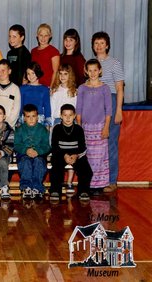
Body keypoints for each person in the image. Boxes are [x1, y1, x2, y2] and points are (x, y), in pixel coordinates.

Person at [92, 31, 125, 193]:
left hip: (110, 102)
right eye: (96, 43)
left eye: (102, 43)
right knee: (95, 144)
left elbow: (119, 88)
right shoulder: (90, 64)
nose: (99, 46)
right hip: (94, 103)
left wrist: (118, 110)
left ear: (107, 45)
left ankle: (111, 180)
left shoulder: (115, 63)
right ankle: (96, 180)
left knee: (110, 143)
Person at [76, 59, 112, 194]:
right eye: (89, 70)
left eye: (95, 70)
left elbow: (108, 110)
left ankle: (99, 185)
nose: (92, 73)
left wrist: (106, 127)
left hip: (100, 127)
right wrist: (79, 128)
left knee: (100, 156)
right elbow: (78, 109)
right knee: (88, 156)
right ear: (86, 71)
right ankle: (87, 184)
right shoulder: (82, 88)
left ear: (100, 70)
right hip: (85, 127)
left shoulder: (105, 88)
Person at [50, 104, 93, 202]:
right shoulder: (56, 129)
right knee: (56, 169)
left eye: (70, 115)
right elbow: (54, 146)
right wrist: (64, 155)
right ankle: (55, 191)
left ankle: (83, 191)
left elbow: (82, 147)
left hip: (76, 155)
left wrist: (76, 155)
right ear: (60, 116)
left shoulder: (78, 129)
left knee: (86, 171)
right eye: (65, 115)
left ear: (74, 116)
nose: (68, 118)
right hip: (61, 154)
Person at [50, 64, 78, 191]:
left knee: (72, 150)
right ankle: (58, 181)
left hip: (71, 123)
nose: (62, 76)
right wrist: (51, 125)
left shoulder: (74, 92)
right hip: (57, 122)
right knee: (58, 152)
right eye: (60, 74)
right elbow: (52, 110)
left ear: (70, 75)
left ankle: (70, 182)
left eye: (65, 74)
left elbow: (76, 110)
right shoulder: (54, 91)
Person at [14, 104, 50, 199]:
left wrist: (38, 151)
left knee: (38, 162)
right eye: (28, 116)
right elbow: (16, 145)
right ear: (24, 118)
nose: (31, 119)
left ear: (37, 117)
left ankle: (37, 188)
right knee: (26, 162)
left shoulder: (42, 130)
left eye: (33, 116)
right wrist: (26, 150)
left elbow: (47, 146)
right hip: (23, 155)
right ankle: (26, 187)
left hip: (39, 155)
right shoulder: (19, 130)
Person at [19, 62, 52, 128]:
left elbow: (47, 107)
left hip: (39, 119)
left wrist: (48, 122)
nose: (30, 76)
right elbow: (20, 105)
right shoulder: (22, 88)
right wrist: (19, 120)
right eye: (28, 74)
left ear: (38, 73)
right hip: (26, 118)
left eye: (33, 73)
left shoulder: (45, 89)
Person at [31, 23, 60, 88]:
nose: (43, 38)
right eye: (41, 35)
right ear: (37, 35)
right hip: (34, 85)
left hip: (47, 86)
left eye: (46, 35)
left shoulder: (54, 51)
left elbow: (55, 72)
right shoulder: (33, 51)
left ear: (50, 36)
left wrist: (51, 88)